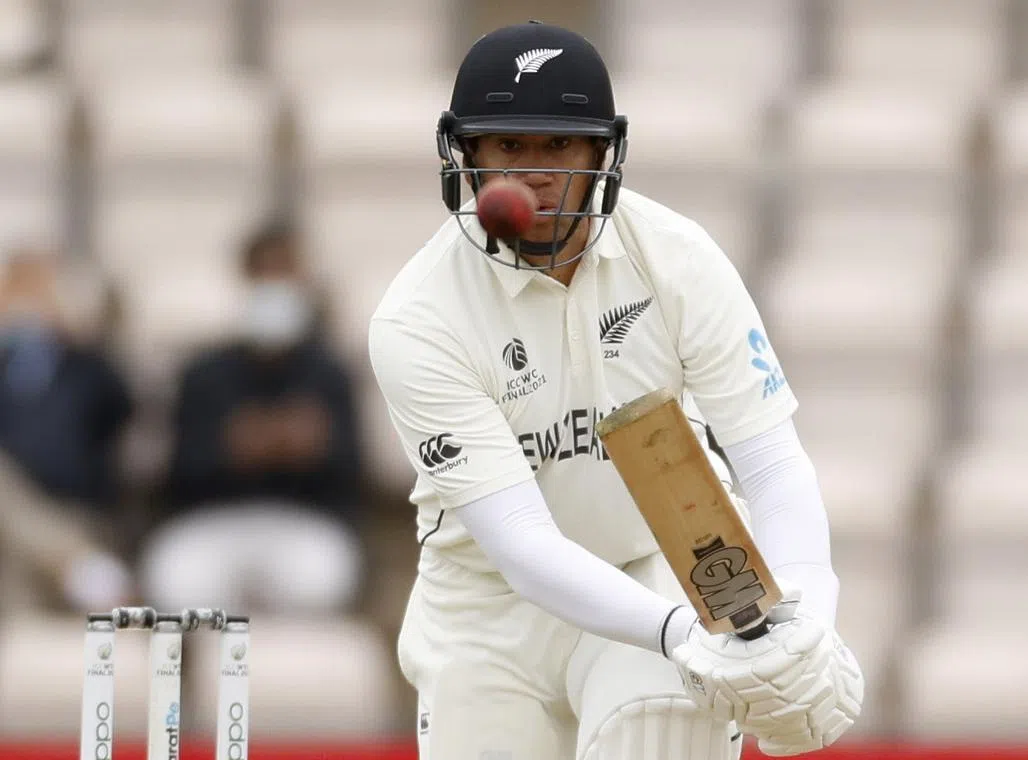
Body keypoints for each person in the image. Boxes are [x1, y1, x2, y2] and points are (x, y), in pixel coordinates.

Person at [368, 22, 864, 760]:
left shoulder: (677, 258)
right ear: (466, 155)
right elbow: (523, 547)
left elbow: (771, 464)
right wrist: (684, 634)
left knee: (661, 729)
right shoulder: (419, 317)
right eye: (508, 146)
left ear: (603, 153)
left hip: (656, 559)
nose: (531, 175)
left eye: (558, 147)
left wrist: (803, 612)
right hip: (487, 606)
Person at [139, 221, 365, 616]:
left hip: (305, 523)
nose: (274, 284)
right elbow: (178, 472)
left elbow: (353, 470)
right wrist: (234, 449)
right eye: (264, 272)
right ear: (244, 278)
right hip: (214, 523)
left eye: (285, 272)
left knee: (318, 582)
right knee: (179, 582)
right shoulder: (202, 373)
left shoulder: (330, 374)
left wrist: (307, 450)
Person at [0, 246, 135, 613]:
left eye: (36, 288)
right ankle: (80, 568)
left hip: (73, 509)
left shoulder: (87, 366)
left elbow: (122, 407)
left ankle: (77, 566)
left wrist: (78, 333)